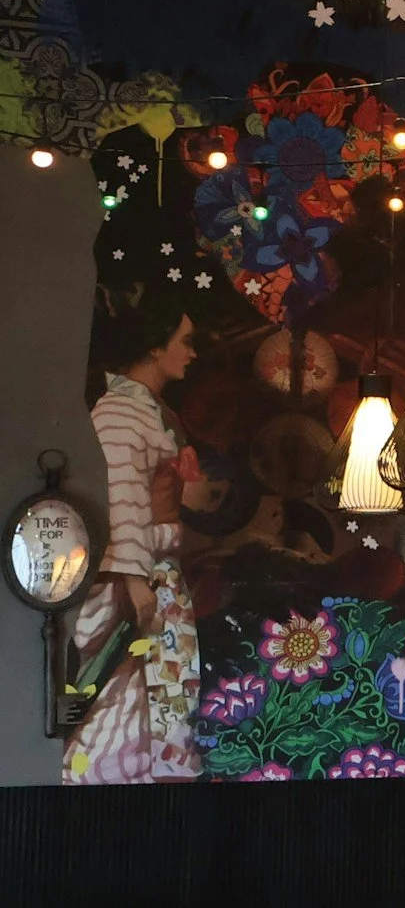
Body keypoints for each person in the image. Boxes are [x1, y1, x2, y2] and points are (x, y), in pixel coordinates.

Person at [64, 293, 207, 783]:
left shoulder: (148, 409)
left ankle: (158, 781)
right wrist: (134, 581)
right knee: (123, 693)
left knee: (166, 689)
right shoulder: (120, 412)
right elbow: (121, 496)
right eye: (185, 341)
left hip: (156, 571)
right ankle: (114, 782)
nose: (192, 352)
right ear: (154, 346)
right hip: (134, 580)